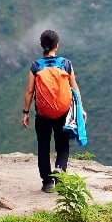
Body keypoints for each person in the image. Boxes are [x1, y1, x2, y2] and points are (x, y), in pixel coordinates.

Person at [22, 30, 84, 193]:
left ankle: (47, 183)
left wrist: (26, 112)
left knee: (43, 146)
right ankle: (60, 170)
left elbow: (29, 91)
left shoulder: (36, 66)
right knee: (62, 145)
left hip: (42, 114)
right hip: (63, 112)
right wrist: (80, 109)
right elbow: (74, 87)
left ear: (42, 45)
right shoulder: (66, 64)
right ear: (57, 45)